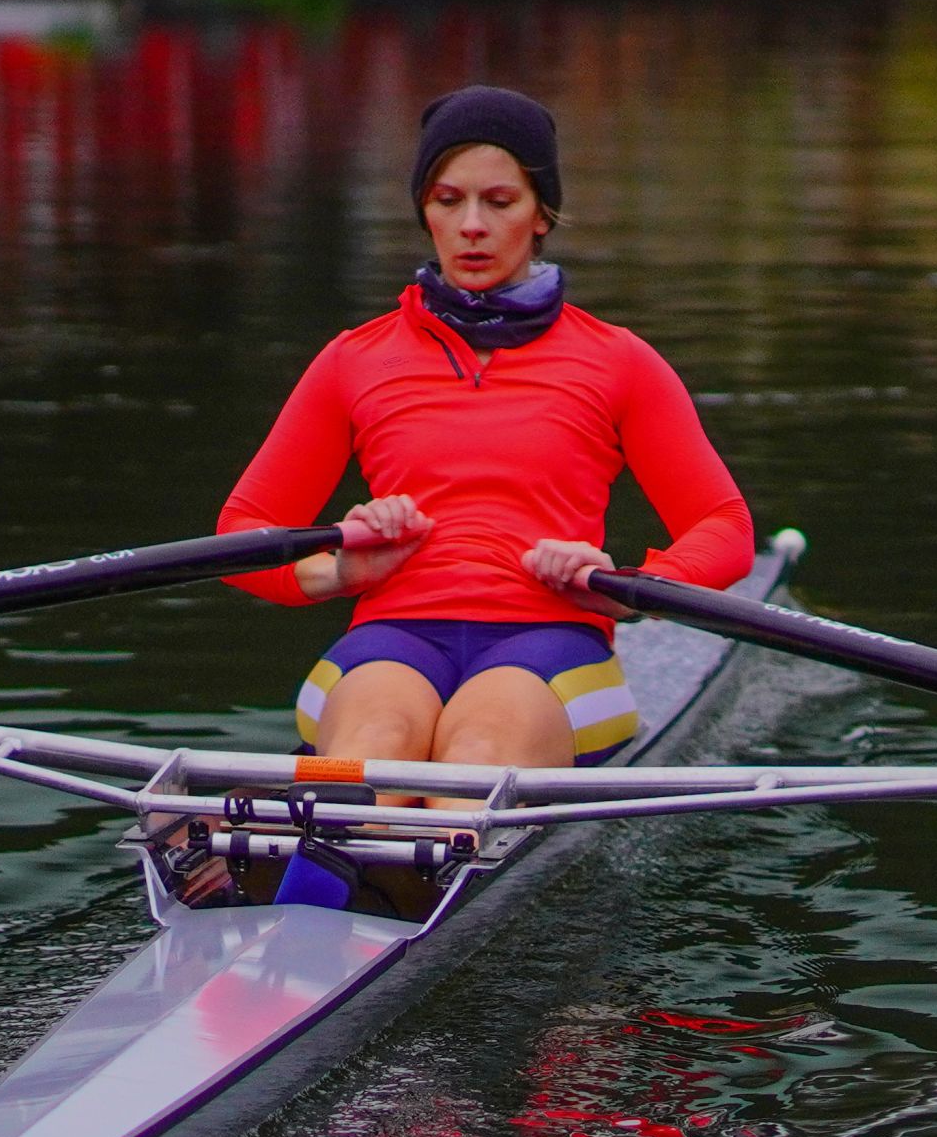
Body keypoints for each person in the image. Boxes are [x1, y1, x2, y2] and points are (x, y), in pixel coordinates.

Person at [216, 85, 753, 904]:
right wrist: (344, 570)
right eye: (448, 200)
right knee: (369, 748)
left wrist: (627, 585)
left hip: (550, 645)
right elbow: (243, 532)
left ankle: (351, 897)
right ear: (425, 212)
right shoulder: (354, 359)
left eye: (499, 201)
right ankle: (314, 899)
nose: (472, 225)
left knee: (470, 758)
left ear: (542, 213)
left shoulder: (618, 362)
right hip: (391, 635)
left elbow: (724, 526)